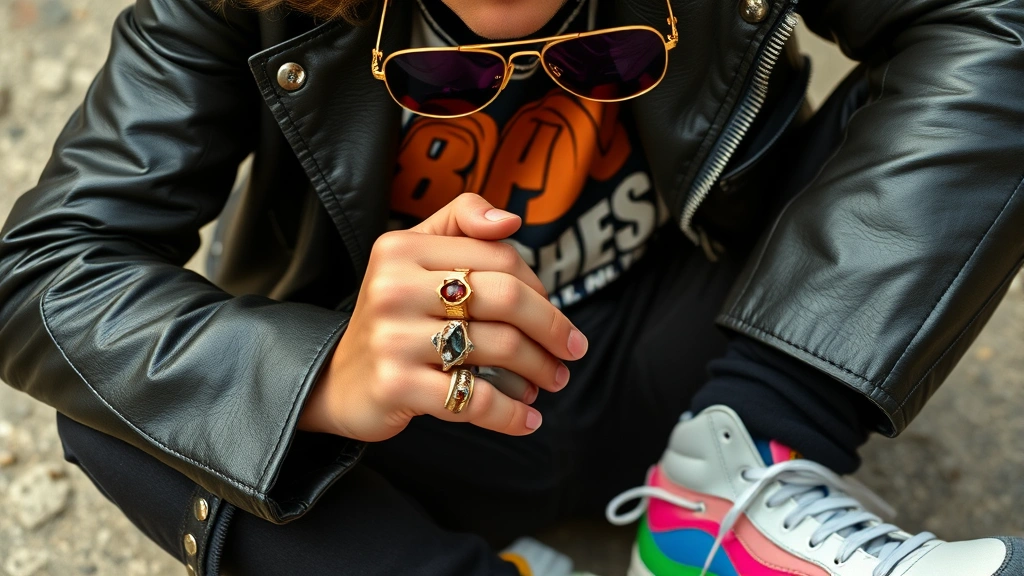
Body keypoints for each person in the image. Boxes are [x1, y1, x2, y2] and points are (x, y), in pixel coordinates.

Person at [0, 0, 1021, 574]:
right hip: (413, 434)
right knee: (142, 400)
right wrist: (321, 373)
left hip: (699, 351)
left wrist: (773, 408)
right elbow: (45, 272)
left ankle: (731, 497)